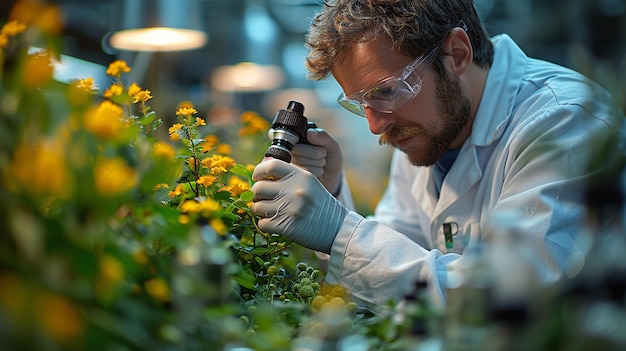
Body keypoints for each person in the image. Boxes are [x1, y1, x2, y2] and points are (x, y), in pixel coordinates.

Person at [250, 0, 626, 311]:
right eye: (361, 103)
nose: (376, 126)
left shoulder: (565, 121)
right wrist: (331, 194)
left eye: (386, 91)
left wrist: (337, 231)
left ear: (457, 53)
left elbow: (513, 302)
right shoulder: (425, 135)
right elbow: (394, 262)